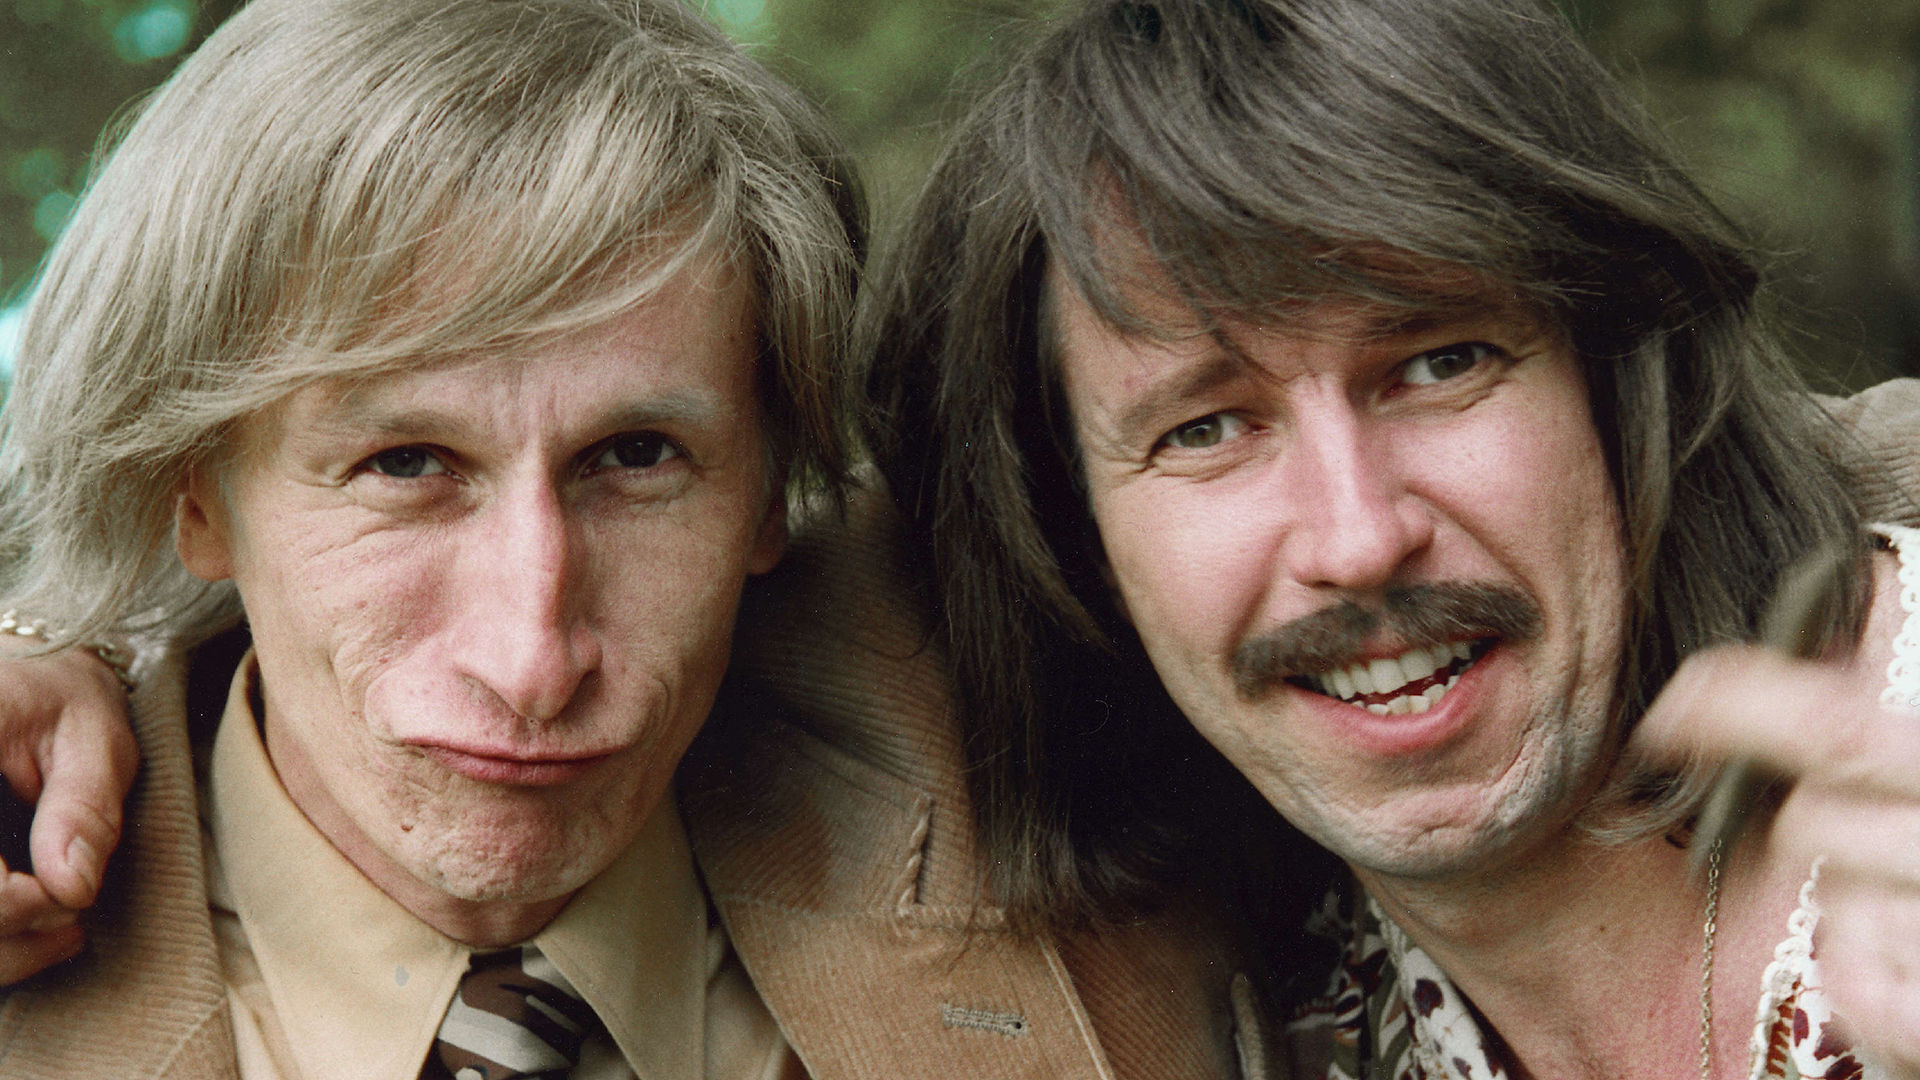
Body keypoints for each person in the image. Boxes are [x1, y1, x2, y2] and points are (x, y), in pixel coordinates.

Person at [0, 0, 1247, 1076]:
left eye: (637, 457)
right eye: (406, 464)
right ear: (193, 494)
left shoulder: (1037, 747)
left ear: (773, 484)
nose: (533, 660)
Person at [861, 0, 1920, 1076]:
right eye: (1206, 430)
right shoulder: (1311, 1028)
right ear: (1080, 543)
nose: (1360, 541)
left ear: (1618, 384)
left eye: (1440, 363)